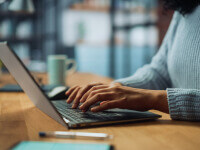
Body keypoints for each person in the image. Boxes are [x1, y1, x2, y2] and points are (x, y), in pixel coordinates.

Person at [65, 0, 200, 121]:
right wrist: (116, 88)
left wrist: (153, 99)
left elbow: (154, 94)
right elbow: (160, 71)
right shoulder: (185, 7)